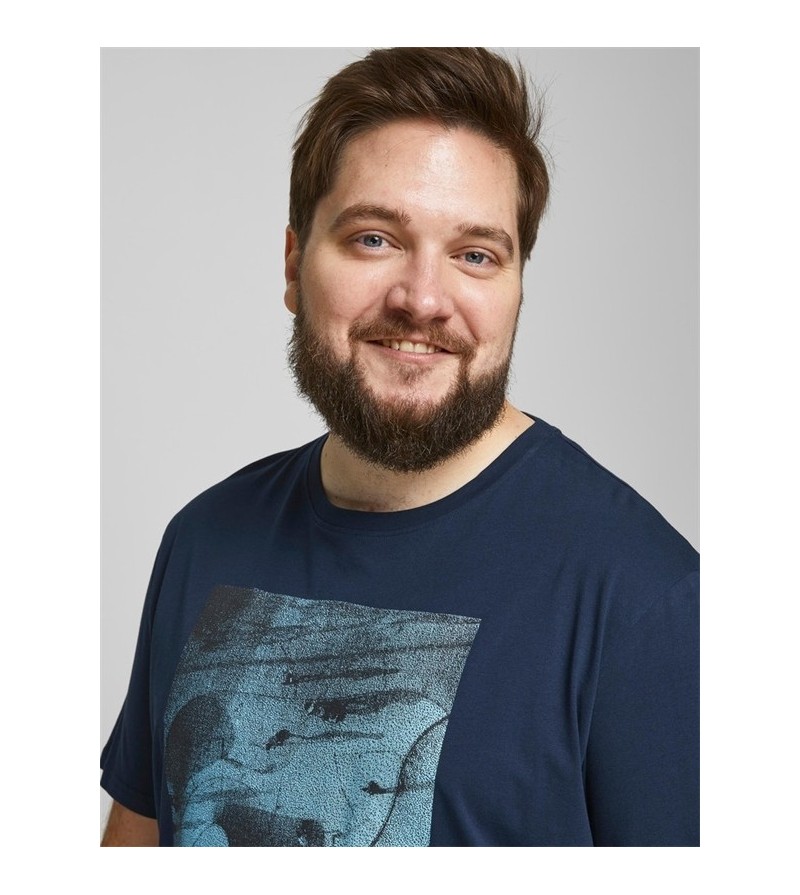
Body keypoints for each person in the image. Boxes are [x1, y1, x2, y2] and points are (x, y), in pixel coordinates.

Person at [101, 47, 699, 847]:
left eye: (475, 255)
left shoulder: (648, 601)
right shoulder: (203, 540)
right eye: (375, 238)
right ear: (293, 264)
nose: (422, 299)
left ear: (518, 286)